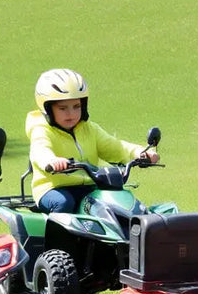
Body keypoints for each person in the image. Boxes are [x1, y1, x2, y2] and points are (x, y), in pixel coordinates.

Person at [27, 68, 159, 213]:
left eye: (76, 106)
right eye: (63, 108)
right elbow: (40, 150)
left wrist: (139, 153)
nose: (71, 113)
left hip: (89, 185)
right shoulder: (41, 130)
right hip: (53, 188)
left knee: (116, 201)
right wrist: (51, 161)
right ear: (48, 109)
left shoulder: (89, 129)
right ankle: (53, 236)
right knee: (63, 203)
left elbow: (115, 147)